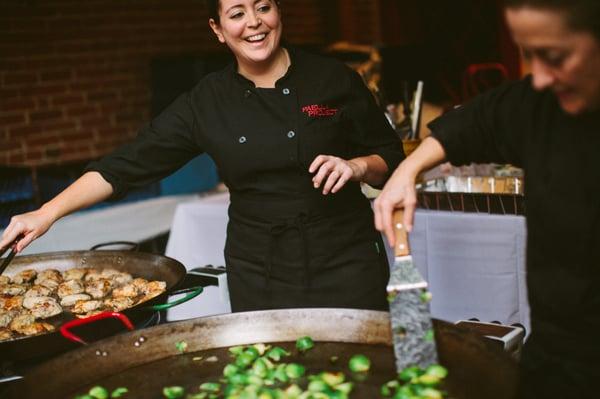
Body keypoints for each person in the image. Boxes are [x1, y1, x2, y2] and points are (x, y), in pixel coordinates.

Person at [0, 0, 404, 312]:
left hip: (346, 259)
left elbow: (388, 154)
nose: (254, 22)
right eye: (237, 13)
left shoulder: (333, 78)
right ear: (218, 29)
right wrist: (46, 213)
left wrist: (356, 166)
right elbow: (124, 166)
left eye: (264, 7)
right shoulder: (207, 101)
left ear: (279, 12)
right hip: (261, 270)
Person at [374, 0, 600, 397]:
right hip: (554, 360)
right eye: (527, 54)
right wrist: (407, 172)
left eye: (554, 56)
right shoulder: (539, 103)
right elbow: (477, 121)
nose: (540, 77)